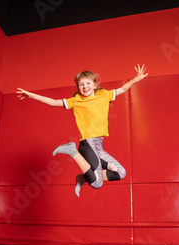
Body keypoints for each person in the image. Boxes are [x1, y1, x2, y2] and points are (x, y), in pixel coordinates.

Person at [17, 65, 148, 197]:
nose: (85, 86)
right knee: (97, 183)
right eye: (81, 84)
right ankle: (72, 150)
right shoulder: (76, 101)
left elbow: (123, 88)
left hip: (98, 146)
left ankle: (83, 178)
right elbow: (52, 102)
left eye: (88, 83)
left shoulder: (104, 95)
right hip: (88, 143)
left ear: (95, 85)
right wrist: (31, 95)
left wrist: (136, 79)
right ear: (78, 88)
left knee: (120, 172)